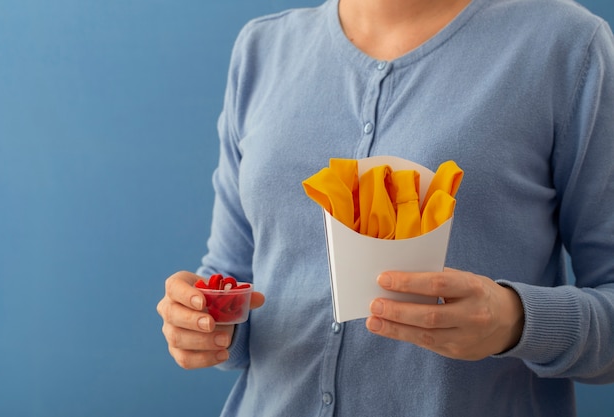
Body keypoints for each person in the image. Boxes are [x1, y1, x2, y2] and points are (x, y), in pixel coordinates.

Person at [156, 0, 614, 415]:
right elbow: (233, 280)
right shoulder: (262, 49)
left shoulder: (568, 45)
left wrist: (516, 321)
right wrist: (204, 321)